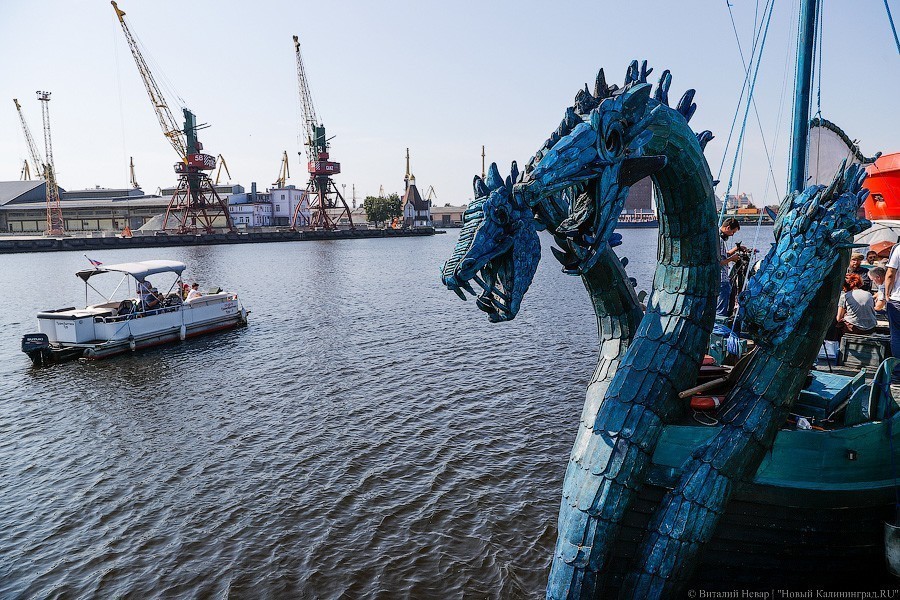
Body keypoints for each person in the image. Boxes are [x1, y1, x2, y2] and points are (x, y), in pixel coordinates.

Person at [827, 273, 876, 342]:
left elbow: (838, 318)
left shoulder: (845, 296)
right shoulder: (869, 294)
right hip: (871, 327)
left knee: (837, 326)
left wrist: (845, 315)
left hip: (854, 329)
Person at [716, 218, 742, 318]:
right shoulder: (719, 240)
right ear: (727, 228)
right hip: (721, 279)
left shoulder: (718, 238)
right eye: (732, 232)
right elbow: (718, 262)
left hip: (721, 279)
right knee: (721, 310)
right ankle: (719, 328)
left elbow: (723, 255)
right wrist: (732, 259)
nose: (732, 235)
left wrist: (736, 249)